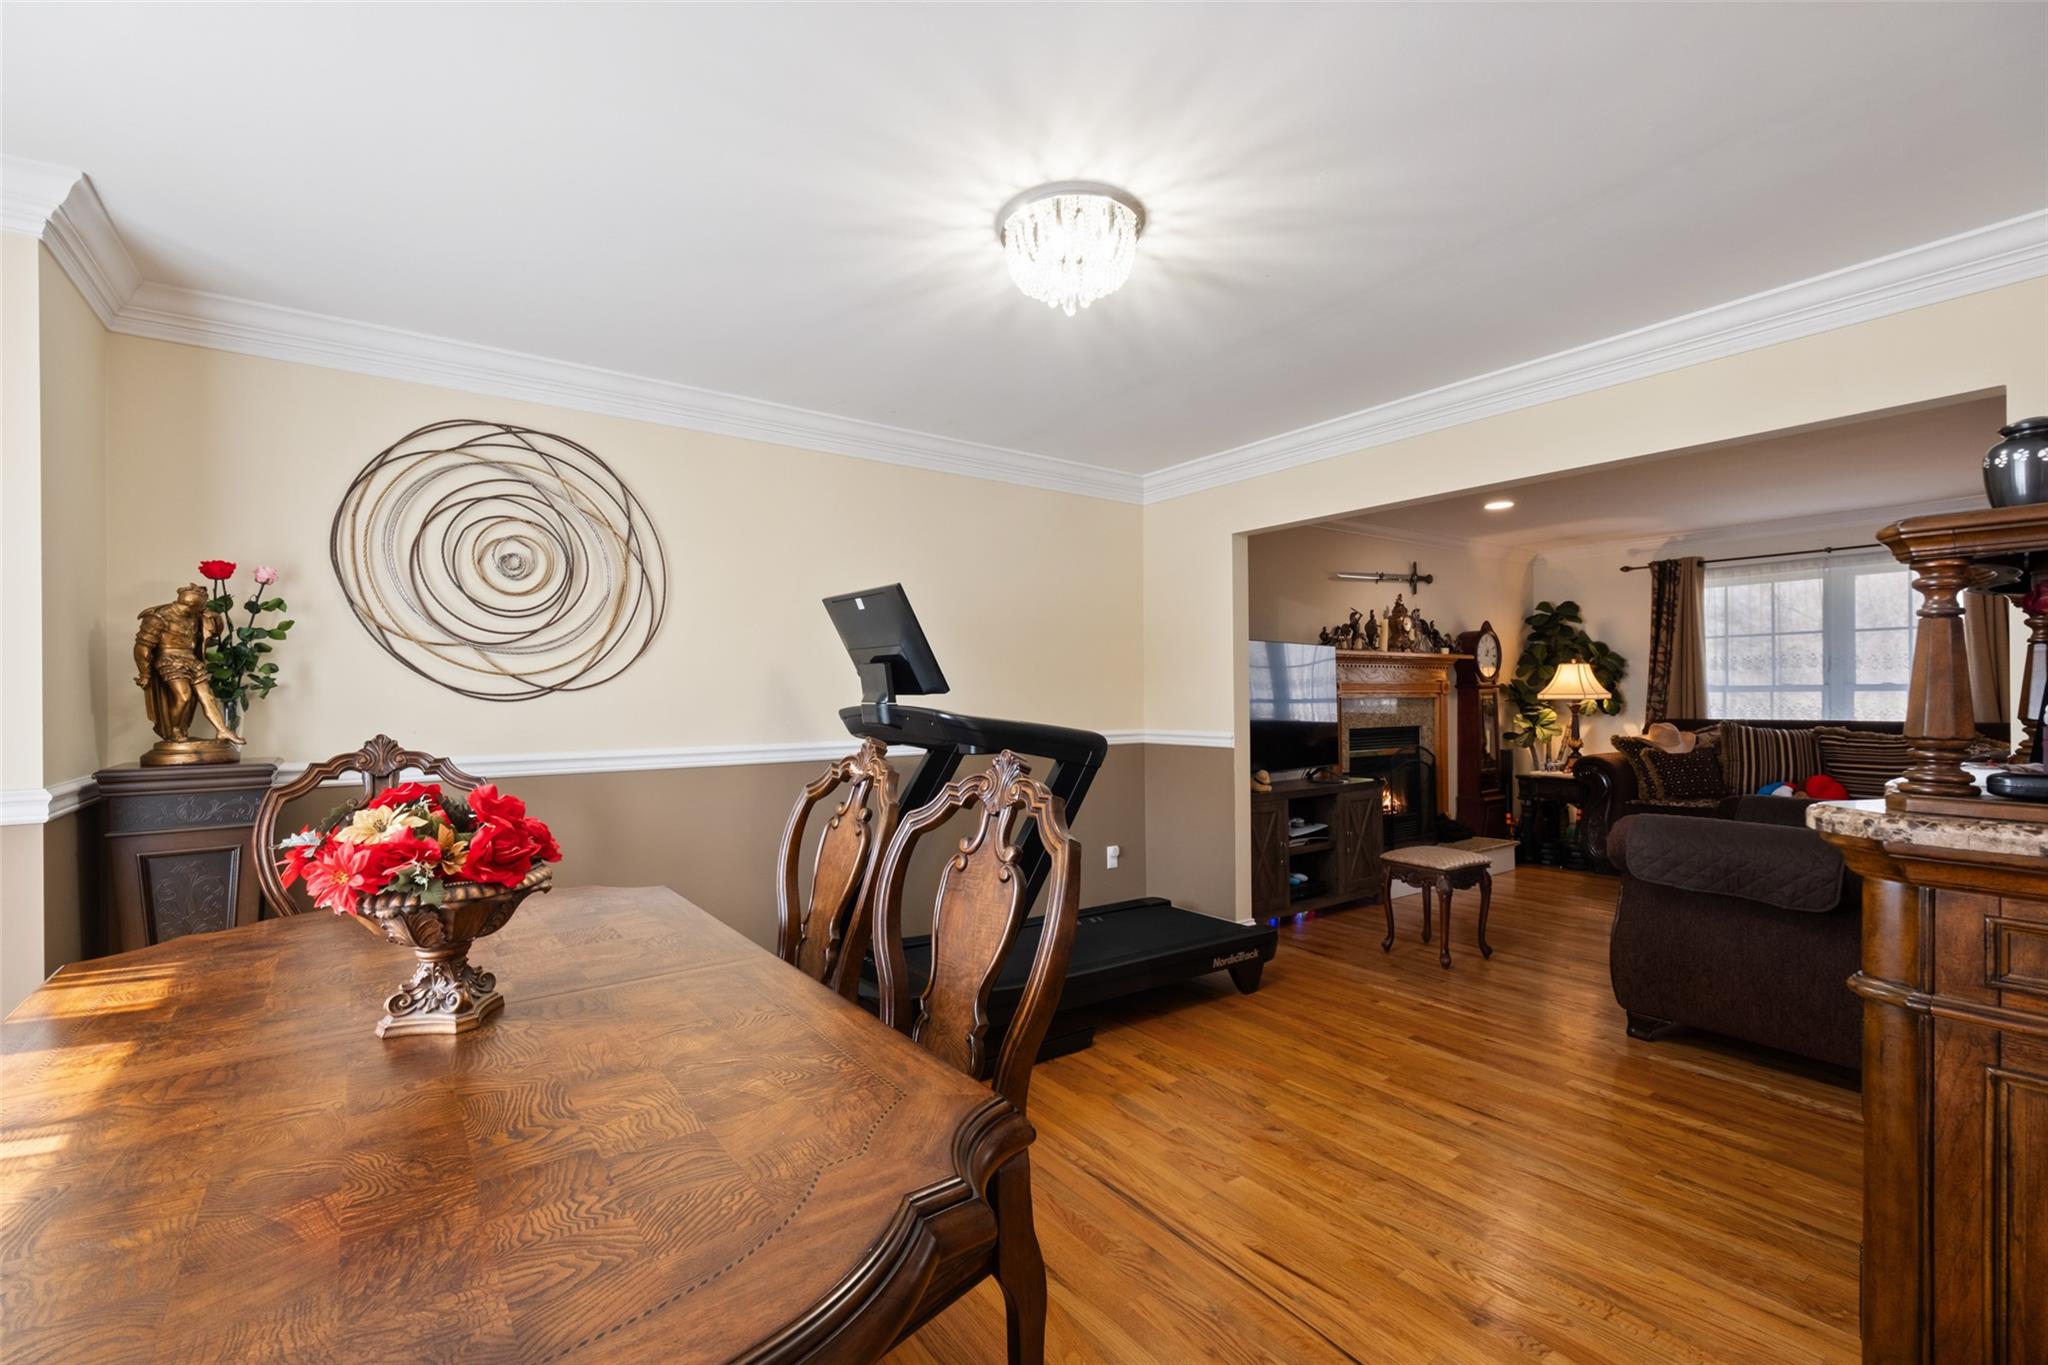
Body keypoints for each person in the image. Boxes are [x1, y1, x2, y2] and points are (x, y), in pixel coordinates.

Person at [134, 584, 244, 751]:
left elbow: (215, 633)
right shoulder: (158, 617)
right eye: (202, 606)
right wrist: (145, 673)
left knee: (207, 696)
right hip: (169, 659)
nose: (203, 609)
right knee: (184, 696)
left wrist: (216, 617)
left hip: (191, 659)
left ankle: (222, 731)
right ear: (192, 605)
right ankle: (175, 731)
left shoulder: (195, 615)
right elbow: (142, 647)